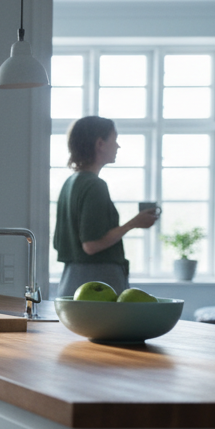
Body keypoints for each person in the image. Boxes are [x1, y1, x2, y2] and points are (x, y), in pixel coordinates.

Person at [53, 115, 158, 297]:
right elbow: (91, 245)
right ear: (100, 144)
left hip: (71, 280)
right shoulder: (95, 185)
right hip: (97, 283)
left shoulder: (70, 182)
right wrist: (134, 223)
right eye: (114, 140)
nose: (118, 146)